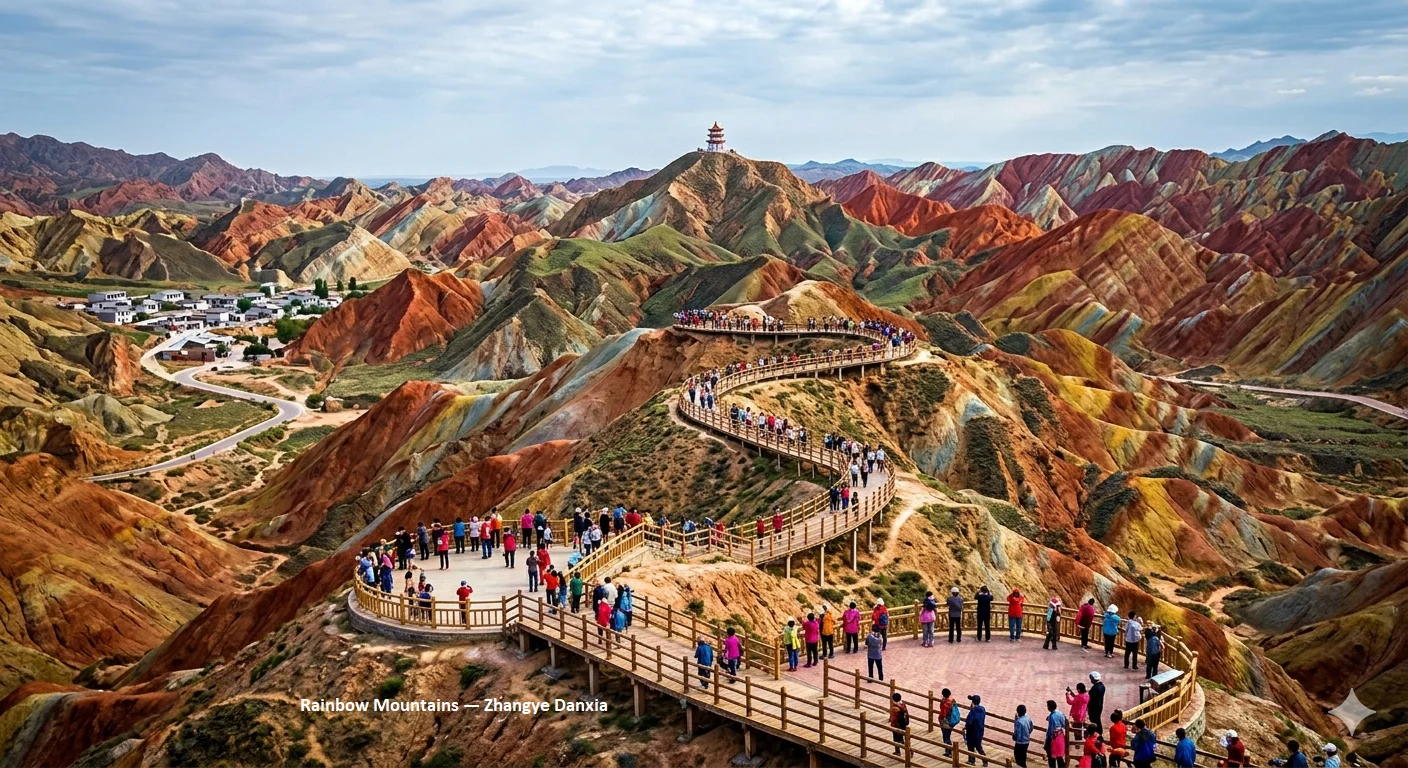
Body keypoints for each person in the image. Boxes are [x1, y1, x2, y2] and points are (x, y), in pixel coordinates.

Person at [965, 694, 989, 765]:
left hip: (971, 732)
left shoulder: (973, 711)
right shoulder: (982, 709)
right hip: (979, 732)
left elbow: (969, 722)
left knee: (970, 747)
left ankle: (971, 761)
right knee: (979, 747)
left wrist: (972, 709)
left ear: (972, 702)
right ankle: (985, 761)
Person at [1045, 700, 1069, 768]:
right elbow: (1064, 724)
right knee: (1059, 755)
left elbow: (1051, 730)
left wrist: (1048, 740)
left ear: (1050, 707)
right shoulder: (1060, 713)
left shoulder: (1052, 717)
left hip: (1053, 738)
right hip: (1060, 736)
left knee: (1051, 756)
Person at [939, 688, 959, 756]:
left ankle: (948, 752)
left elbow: (943, 713)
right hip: (951, 722)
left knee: (946, 737)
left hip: (945, 722)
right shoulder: (952, 701)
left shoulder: (945, 703)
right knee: (948, 736)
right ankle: (949, 751)